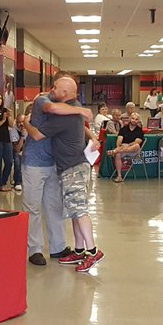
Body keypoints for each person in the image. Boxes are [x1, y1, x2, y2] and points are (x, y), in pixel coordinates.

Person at [28, 74, 103, 273]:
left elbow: (36, 134)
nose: (51, 90)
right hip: (73, 167)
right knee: (74, 211)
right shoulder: (73, 107)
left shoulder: (65, 115)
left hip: (72, 168)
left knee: (79, 211)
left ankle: (92, 251)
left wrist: (24, 122)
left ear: (64, 93)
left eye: (55, 88)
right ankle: (79, 250)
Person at [22, 95, 73, 267]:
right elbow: (49, 111)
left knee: (55, 206)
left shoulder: (63, 108)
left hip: (53, 162)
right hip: (34, 163)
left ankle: (58, 247)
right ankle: (35, 250)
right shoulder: (42, 101)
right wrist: (81, 110)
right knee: (33, 207)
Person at [107, 112, 145, 182]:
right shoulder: (123, 129)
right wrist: (121, 146)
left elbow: (137, 142)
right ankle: (119, 176)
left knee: (136, 146)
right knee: (117, 154)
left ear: (138, 121)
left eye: (136, 119)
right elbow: (119, 141)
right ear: (130, 119)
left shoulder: (140, 131)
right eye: (133, 118)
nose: (134, 120)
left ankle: (115, 151)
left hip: (134, 151)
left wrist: (127, 145)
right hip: (123, 149)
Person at [8, 113, 26, 191]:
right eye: (19, 122)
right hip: (17, 149)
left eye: (23, 122)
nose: (21, 124)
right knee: (17, 158)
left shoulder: (30, 127)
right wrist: (22, 136)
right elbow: (17, 149)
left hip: (27, 149)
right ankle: (17, 182)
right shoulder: (13, 130)